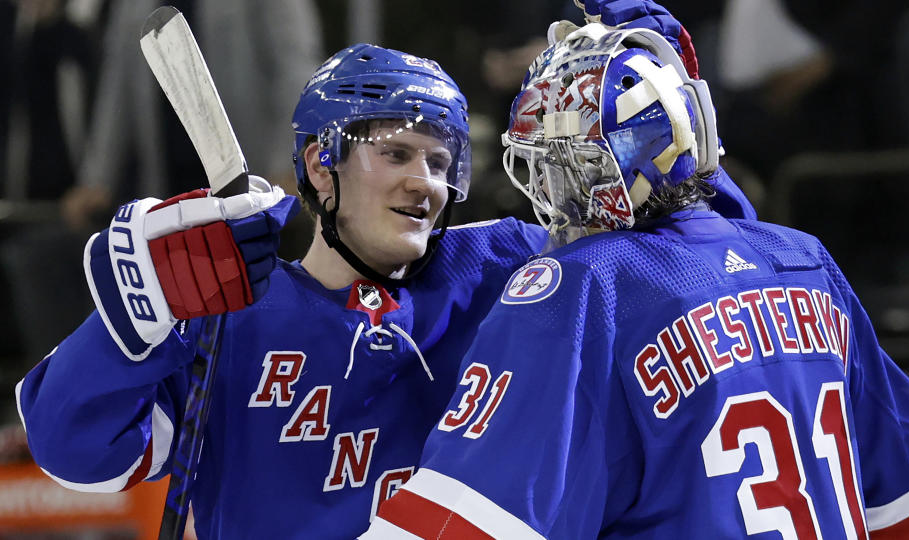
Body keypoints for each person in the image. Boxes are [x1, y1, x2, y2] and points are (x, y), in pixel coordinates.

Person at [364, 21, 909, 539]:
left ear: (606, 168)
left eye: (561, 164)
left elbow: (467, 522)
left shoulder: (585, 283)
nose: (549, 192)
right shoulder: (802, 257)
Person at [16, 43, 547, 539]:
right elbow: (77, 456)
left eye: (438, 162)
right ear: (321, 166)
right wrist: (136, 317)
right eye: (397, 154)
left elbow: (613, 250)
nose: (425, 182)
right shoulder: (227, 315)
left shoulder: (496, 270)